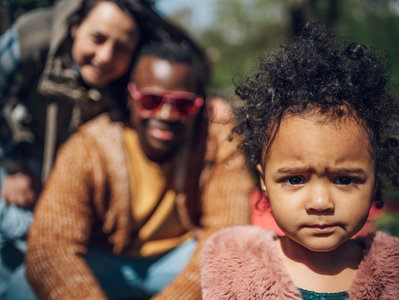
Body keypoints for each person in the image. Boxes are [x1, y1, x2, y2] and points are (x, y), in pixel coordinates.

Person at [200, 21, 399, 299]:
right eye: (295, 179)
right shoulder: (234, 268)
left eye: (345, 179)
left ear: (375, 177)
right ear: (264, 180)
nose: (321, 203)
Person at [20, 32, 253, 300]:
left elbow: (227, 235)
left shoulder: (219, 141)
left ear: (199, 106)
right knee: (22, 287)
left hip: (178, 261)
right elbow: (50, 248)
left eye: (182, 104)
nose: (165, 115)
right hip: (105, 261)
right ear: (131, 96)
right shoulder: (88, 147)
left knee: (249, 266)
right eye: (151, 100)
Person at [0, 0, 170, 295]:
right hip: (14, 158)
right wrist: (13, 167)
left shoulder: (129, 82)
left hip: (58, 179)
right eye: (98, 38)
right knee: (14, 226)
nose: (105, 57)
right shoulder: (29, 40)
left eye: (121, 48)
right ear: (75, 27)